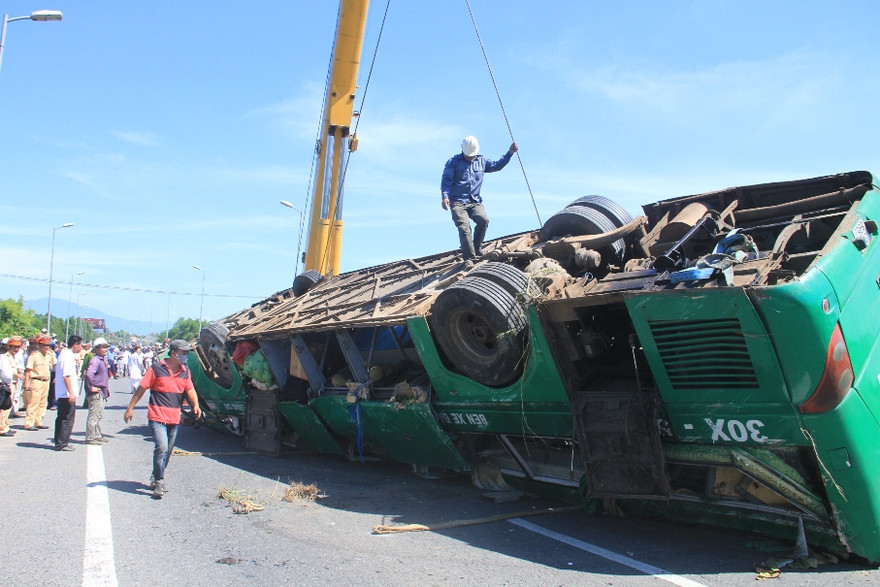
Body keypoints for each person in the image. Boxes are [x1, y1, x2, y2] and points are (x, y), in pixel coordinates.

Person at [124, 339, 202, 499]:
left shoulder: (185, 371)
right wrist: (130, 407)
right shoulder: (156, 369)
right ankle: (159, 481)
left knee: (168, 451)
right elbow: (142, 388)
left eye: (187, 353)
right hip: (157, 416)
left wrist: (196, 405)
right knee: (161, 447)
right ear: (173, 354)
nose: (186, 356)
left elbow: (190, 389)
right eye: (183, 353)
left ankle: (155, 475)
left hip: (174, 417)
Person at [441, 135, 518, 267]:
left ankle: (476, 248)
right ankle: (469, 258)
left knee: (483, 220)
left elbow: (497, 166)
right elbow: (446, 181)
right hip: (458, 202)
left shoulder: (481, 161)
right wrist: (445, 196)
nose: (470, 157)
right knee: (464, 228)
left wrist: (510, 153)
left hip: (474, 201)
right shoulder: (453, 162)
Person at [54, 335, 83, 451]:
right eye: (80, 345)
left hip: (63, 393)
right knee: (67, 419)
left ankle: (59, 442)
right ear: (75, 345)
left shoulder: (65, 354)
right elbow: (66, 376)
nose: (81, 348)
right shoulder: (67, 356)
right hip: (65, 394)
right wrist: (71, 393)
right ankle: (62, 443)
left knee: (62, 418)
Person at [22, 335, 55, 431]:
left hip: (46, 381)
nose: (47, 347)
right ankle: (29, 423)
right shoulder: (34, 356)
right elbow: (28, 371)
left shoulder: (49, 355)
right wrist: (26, 384)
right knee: (33, 403)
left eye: (48, 345)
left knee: (43, 403)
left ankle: (38, 421)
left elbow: (54, 365)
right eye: (44, 345)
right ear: (39, 345)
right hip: (36, 380)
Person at [83, 337, 111, 444]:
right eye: (103, 347)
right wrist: (91, 387)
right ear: (97, 348)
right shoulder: (95, 360)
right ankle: (90, 437)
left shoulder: (101, 359)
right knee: (94, 415)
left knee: (99, 415)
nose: (106, 349)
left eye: (106, 347)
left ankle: (97, 435)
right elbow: (89, 374)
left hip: (101, 391)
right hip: (96, 392)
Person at [0, 338, 19, 437]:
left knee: (8, 406)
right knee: (5, 407)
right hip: (6, 384)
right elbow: (7, 374)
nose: (16, 349)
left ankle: (5, 426)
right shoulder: (4, 357)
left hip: (11, 383)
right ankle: (2, 428)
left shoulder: (12, 356)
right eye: (14, 347)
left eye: (18, 347)